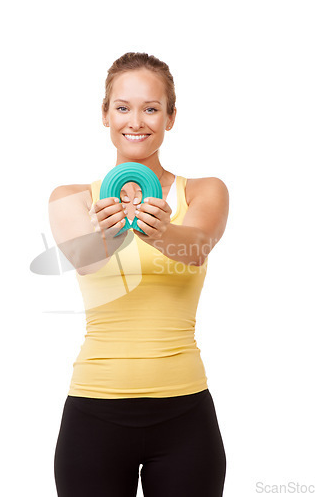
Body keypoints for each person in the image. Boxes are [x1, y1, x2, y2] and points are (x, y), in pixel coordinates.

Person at [48, 52, 230, 497]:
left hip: (185, 414)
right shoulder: (71, 197)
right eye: (123, 107)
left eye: (151, 108)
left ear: (171, 117)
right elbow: (87, 260)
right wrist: (114, 229)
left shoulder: (204, 190)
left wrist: (157, 227)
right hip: (94, 411)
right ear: (106, 114)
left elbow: (195, 247)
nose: (136, 121)